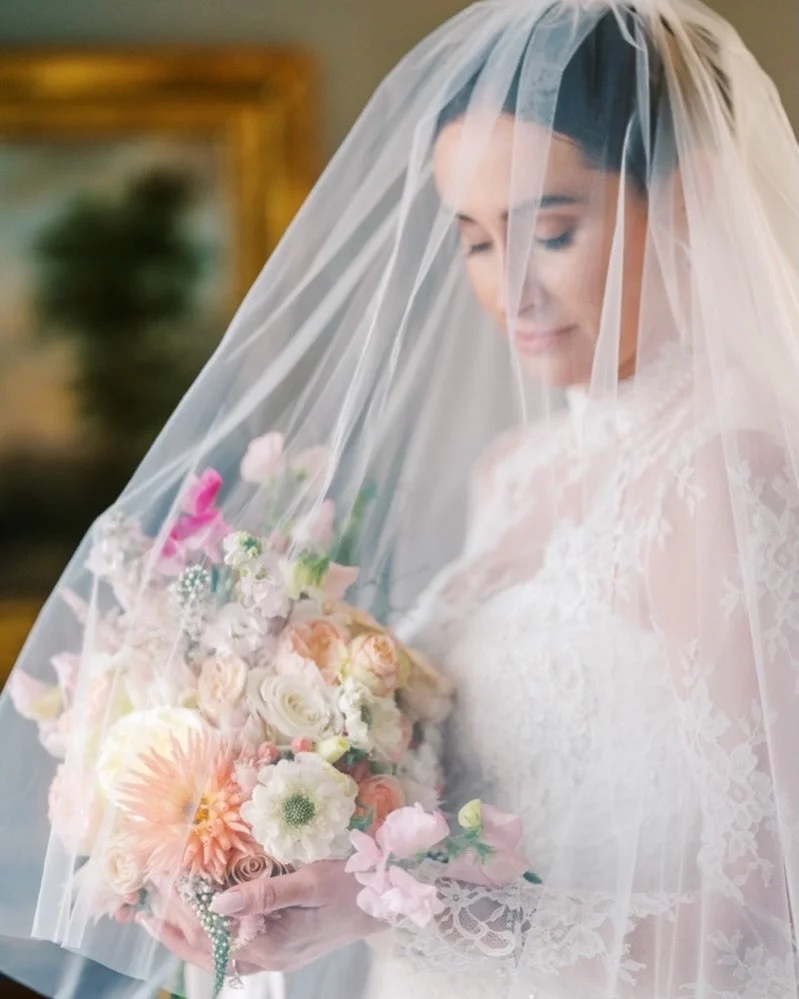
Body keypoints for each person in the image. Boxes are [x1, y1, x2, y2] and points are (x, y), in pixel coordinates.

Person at [2, 1, 799, 997]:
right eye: (472, 240)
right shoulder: (511, 471)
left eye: (550, 230)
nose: (511, 289)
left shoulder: (726, 476)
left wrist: (393, 903)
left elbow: (764, 925)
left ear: (690, 199)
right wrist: (254, 832)